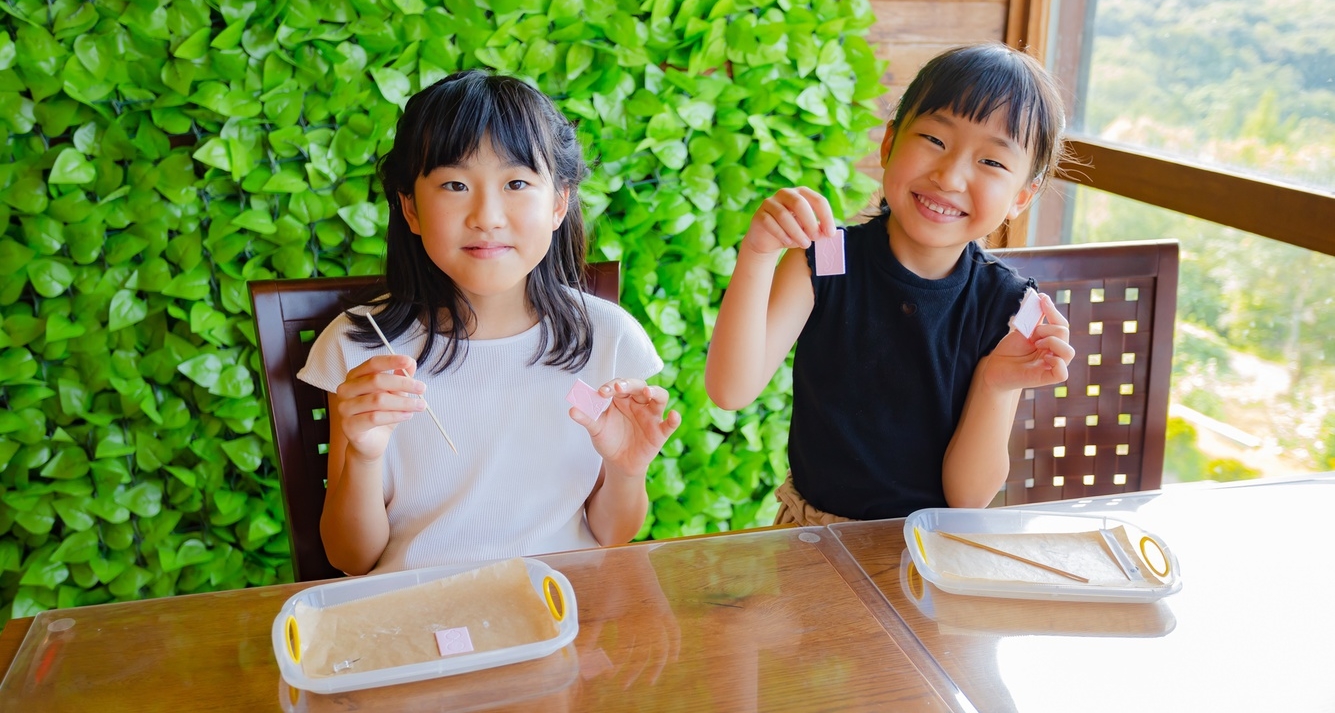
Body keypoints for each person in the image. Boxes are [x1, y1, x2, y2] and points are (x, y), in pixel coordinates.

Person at [299, 71, 681, 575]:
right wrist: (365, 460)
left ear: (559, 203)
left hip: (561, 608)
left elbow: (612, 533)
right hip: (415, 615)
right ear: (410, 208)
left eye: (517, 182)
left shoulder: (606, 338)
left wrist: (627, 470)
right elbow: (351, 558)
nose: (487, 216)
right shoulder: (361, 346)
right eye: (455, 184)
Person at [705, 43, 1076, 524]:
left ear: (1021, 198)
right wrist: (757, 253)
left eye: (991, 163)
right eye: (935, 140)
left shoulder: (1008, 304)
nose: (950, 175)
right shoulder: (828, 258)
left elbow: (968, 498)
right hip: (813, 538)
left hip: (931, 548)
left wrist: (996, 383)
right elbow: (730, 391)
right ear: (888, 143)